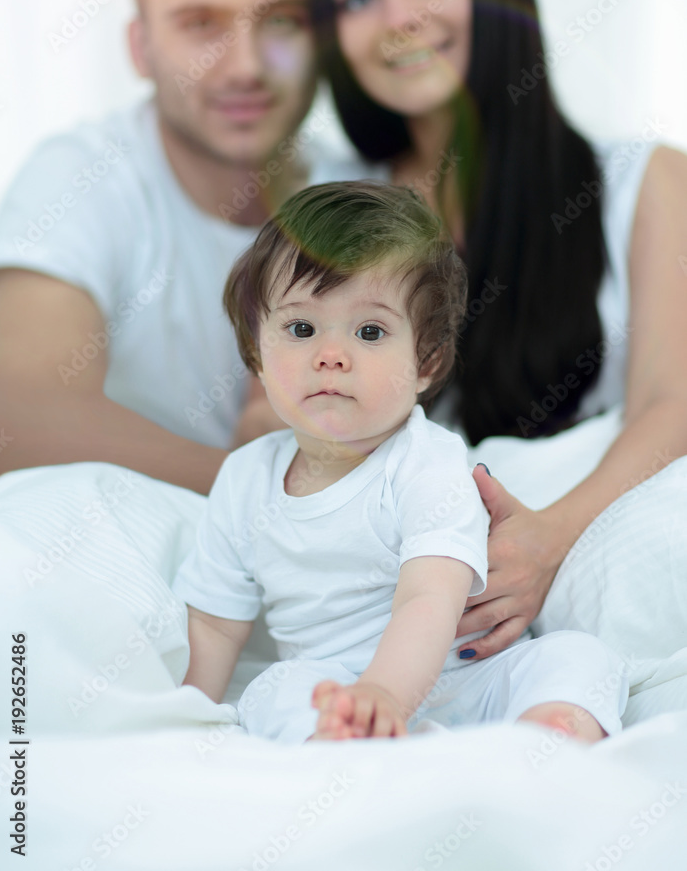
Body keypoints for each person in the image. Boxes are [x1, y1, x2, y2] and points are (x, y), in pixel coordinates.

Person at [303, 0, 687, 661]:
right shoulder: (330, 208)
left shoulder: (643, 181)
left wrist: (549, 539)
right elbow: (273, 413)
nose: (399, 20)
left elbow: (669, 401)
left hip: (587, 526)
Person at [172, 180, 628, 744]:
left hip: (470, 677)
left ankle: (543, 740)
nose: (331, 355)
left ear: (426, 363)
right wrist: (186, 714)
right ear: (255, 356)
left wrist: (386, 695)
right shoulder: (245, 480)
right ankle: (349, 745)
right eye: (300, 328)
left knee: (580, 657)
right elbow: (216, 623)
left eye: (370, 331)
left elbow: (428, 596)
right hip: (335, 688)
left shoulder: (427, 462)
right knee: (271, 690)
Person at [0, 0, 373, 494]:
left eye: (282, 21)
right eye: (201, 24)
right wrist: (263, 492)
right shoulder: (84, 174)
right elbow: (15, 412)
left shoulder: (361, 194)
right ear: (140, 49)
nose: (246, 67)